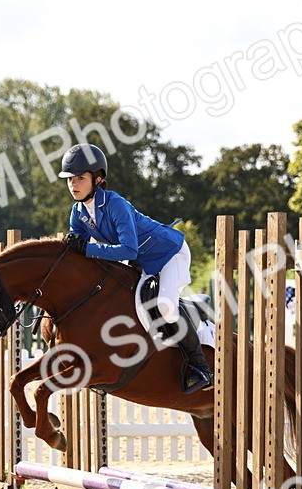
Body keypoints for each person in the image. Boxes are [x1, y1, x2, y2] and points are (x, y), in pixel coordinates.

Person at [59, 143, 211, 393]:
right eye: (70, 179)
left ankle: (200, 367)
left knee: (165, 306)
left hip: (168, 253)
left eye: (80, 178)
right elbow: (80, 250)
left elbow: (128, 249)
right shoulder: (78, 211)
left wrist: (87, 248)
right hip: (142, 261)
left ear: (98, 179)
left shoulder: (115, 204)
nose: (73, 184)